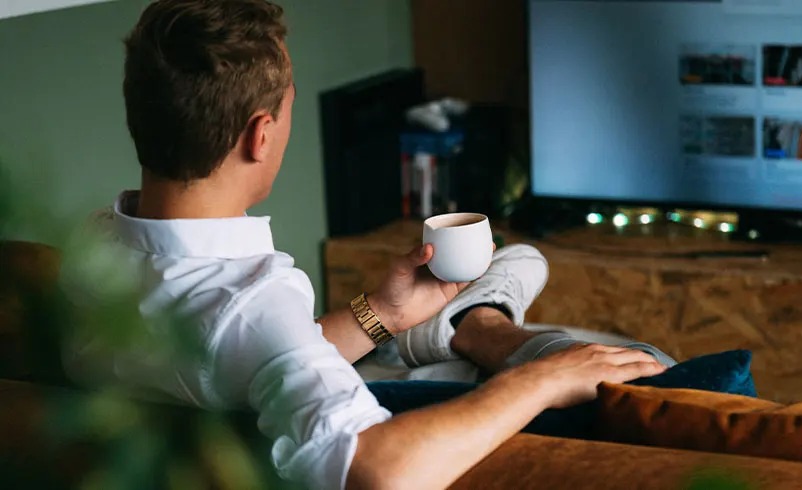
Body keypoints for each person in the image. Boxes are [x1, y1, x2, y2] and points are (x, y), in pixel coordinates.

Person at [61, 1, 671, 489]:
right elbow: (377, 472)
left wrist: (381, 314)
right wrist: (538, 383)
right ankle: (480, 324)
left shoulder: (92, 247)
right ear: (261, 135)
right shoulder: (256, 300)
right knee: (649, 368)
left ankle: (455, 324)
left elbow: (234, 359)